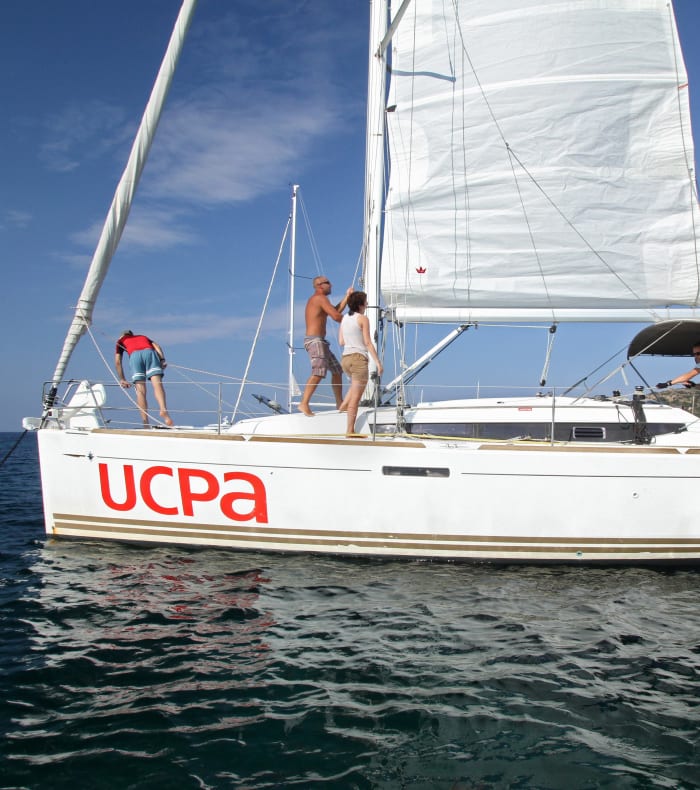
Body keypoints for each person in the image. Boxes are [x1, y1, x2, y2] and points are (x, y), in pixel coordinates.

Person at [298, 276, 353, 416]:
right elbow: (336, 316)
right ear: (320, 285)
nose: (331, 284)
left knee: (336, 370)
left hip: (320, 342)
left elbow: (335, 310)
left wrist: (347, 297)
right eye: (328, 282)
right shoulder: (319, 298)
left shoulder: (321, 300)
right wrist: (355, 322)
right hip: (315, 341)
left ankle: (340, 403)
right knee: (318, 371)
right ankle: (304, 403)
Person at [338, 291, 383, 436]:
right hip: (358, 359)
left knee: (355, 385)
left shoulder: (344, 318)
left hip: (345, 359)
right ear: (360, 304)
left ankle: (343, 406)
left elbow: (341, 341)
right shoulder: (363, 319)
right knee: (356, 398)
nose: (367, 304)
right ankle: (350, 430)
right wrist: (378, 363)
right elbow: (368, 343)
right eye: (366, 301)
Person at [115, 330, 174, 427]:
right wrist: (162, 360)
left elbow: (117, 361)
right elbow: (157, 346)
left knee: (140, 391)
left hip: (134, 356)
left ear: (122, 335)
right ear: (132, 334)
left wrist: (122, 379)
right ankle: (163, 410)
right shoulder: (142, 337)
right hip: (149, 352)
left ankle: (145, 422)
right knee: (157, 384)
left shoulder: (121, 341)